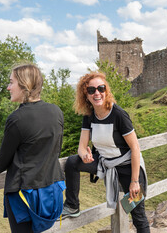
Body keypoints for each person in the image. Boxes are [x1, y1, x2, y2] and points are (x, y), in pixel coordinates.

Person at [63, 71, 150, 233]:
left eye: (101, 88)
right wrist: (85, 155)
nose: (97, 93)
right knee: (72, 162)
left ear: (106, 91)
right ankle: (72, 205)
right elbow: (82, 146)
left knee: (138, 215)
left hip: (128, 167)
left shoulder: (119, 115)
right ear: (86, 94)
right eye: (91, 90)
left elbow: (135, 148)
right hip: (106, 163)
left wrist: (135, 181)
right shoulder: (88, 116)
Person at [0, 64, 65, 233]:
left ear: (24, 85)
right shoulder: (56, 111)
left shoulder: (16, 119)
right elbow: (56, 148)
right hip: (51, 187)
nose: (8, 87)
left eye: (11, 82)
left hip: (23, 193)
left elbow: (2, 161)